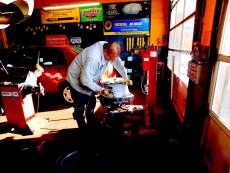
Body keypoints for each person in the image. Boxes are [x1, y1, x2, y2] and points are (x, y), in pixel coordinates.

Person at [67, 41, 133, 128]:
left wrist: (125, 77)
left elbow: (118, 63)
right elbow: (85, 80)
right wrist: (101, 89)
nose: (112, 60)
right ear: (105, 52)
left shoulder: (109, 48)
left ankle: (91, 124)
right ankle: (82, 129)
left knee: (91, 103)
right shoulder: (93, 57)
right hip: (76, 80)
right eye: (110, 58)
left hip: (88, 77)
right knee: (80, 106)